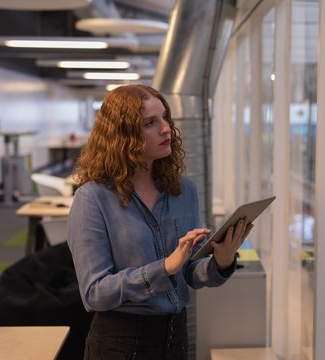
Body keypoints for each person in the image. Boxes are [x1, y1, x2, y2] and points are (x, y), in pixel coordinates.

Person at [67, 84, 253, 360]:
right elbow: (95, 293)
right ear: (123, 136)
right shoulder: (92, 199)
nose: (166, 129)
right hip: (120, 343)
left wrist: (221, 262)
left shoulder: (183, 190)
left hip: (175, 338)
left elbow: (189, 273)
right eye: (150, 123)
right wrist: (164, 269)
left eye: (165, 118)